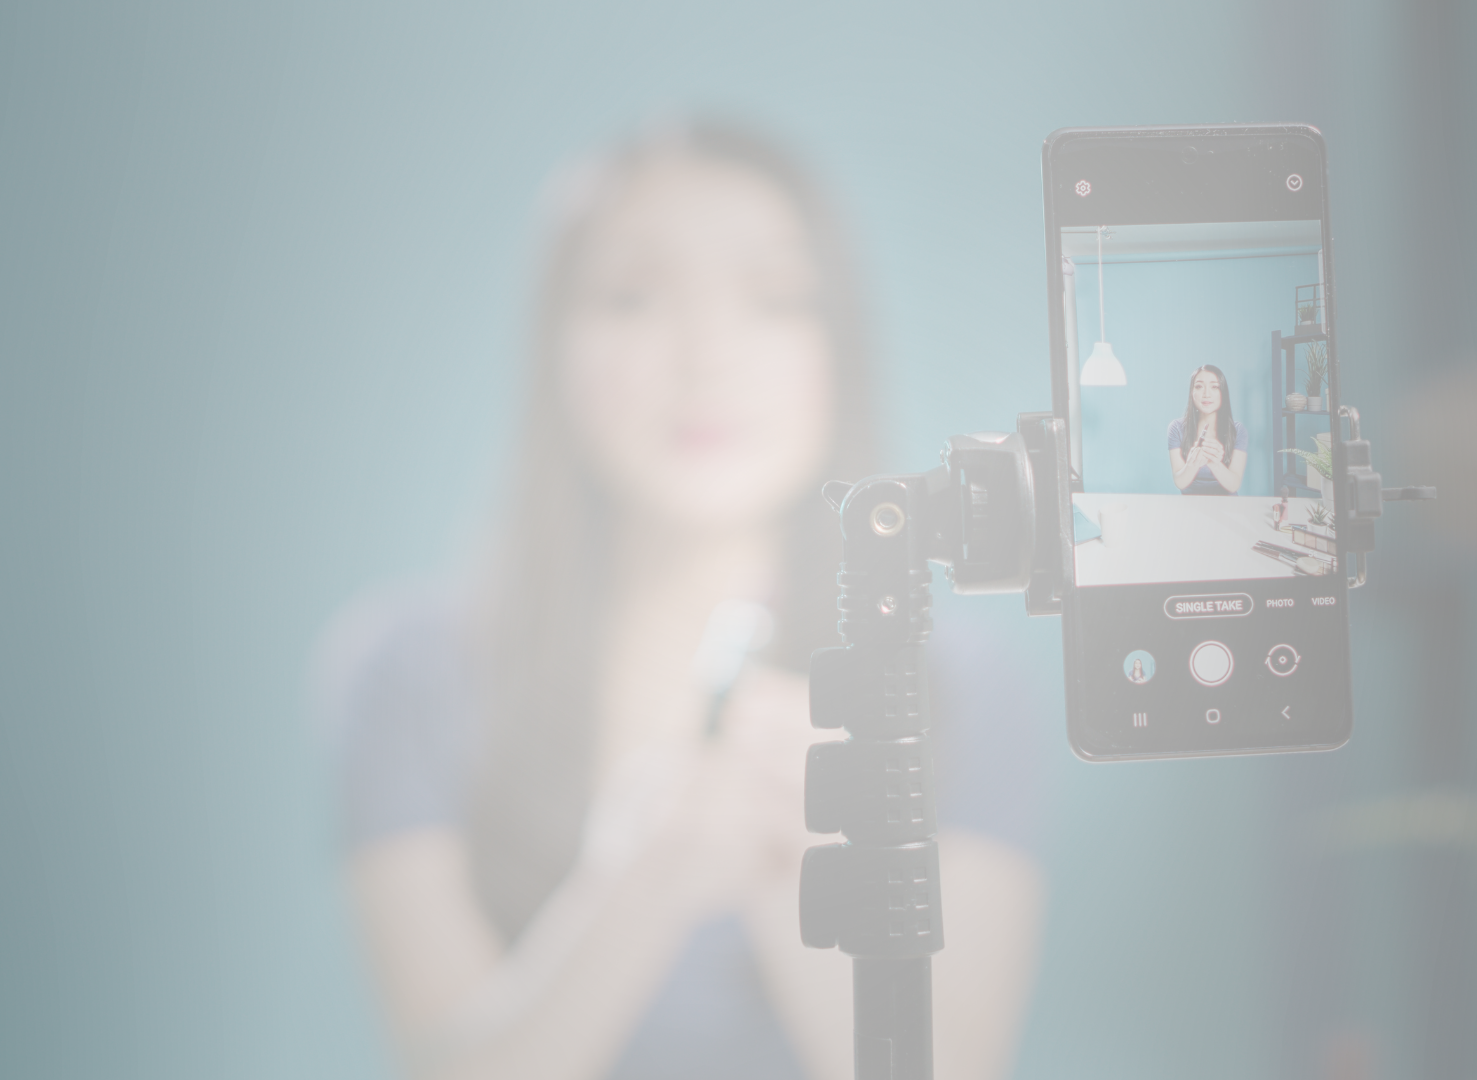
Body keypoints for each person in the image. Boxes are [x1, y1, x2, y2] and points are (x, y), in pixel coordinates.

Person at [320, 121, 1045, 1080]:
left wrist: (801, 863)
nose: (706, 356)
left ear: (842, 349)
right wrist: (644, 876)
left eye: (776, 300)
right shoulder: (407, 670)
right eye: (632, 299)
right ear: (556, 348)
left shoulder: (958, 690)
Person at [1167, 364, 1248, 495]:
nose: (1206, 394)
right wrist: (1192, 465)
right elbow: (1179, 482)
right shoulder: (1176, 428)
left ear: (1223, 392)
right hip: (1190, 506)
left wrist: (1214, 463)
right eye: (1199, 386)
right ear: (1192, 392)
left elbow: (1234, 484)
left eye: (1214, 387)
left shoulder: (1237, 430)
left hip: (1228, 506)